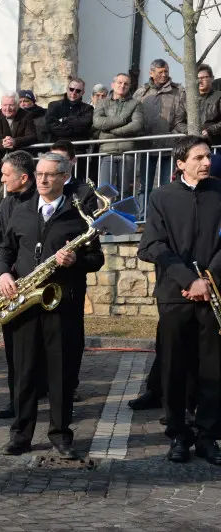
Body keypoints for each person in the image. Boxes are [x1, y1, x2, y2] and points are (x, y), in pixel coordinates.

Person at [0, 152, 104, 460]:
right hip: (25, 303)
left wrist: (76, 260)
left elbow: (97, 258)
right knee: (25, 372)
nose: (43, 179)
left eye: (51, 174)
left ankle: (60, 433)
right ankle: (21, 433)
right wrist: (4, 273)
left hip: (62, 306)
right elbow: (6, 249)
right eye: (40, 173)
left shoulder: (79, 215)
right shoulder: (20, 209)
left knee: (61, 373)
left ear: (64, 177)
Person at [137, 135, 221, 465]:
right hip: (175, 296)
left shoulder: (219, 193)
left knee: (213, 368)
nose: (206, 162)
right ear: (181, 163)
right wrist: (188, 280)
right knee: (174, 367)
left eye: (208, 156)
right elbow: (152, 246)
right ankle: (178, 435)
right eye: (199, 157)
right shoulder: (161, 197)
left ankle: (207, 435)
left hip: (213, 293)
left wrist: (207, 280)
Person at [0, 151, 37, 419]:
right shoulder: (7, 203)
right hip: (11, 282)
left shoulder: (40, 201)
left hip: (32, 280)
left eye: (6, 174)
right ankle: (15, 400)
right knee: (13, 349)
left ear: (24, 177)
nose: (1, 178)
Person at [133, 58, 186, 216]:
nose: (164, 75)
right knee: (145, 185)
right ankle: (144, 217)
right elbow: (134, 115)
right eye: (160, 72)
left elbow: (182, 119)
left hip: (169, 147)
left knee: (167, 185)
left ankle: (165, 217)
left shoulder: (178, 92)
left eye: (166, 72)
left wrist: (176, 135)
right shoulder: (142, 92)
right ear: (151, 73)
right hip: (146, 146)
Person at [93, 73, 143, 195]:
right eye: (119, 82)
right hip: (107, 151)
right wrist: (122, 120)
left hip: (127, 151)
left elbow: (137, 125)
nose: (122, 86)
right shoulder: (103, 103)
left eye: (126, 83)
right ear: (113, 84)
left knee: (124, 191)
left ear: (130, 86)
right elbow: (98, 122)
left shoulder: (135, 104)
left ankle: (122, 215)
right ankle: (105, 214)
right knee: (105, 190)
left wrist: (114, 131)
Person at [45, 78, 94, 181]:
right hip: (58, 152)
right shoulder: (54, 105)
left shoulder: (87, 109)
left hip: (78, 153)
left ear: (83, 92)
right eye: (71, 89)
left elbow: (85, 125)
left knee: (78, 183)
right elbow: (51, 126)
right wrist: (74, 128)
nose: (74, 92)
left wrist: (64, 120)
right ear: (67, 89)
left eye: (78, 90)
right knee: (56, 180)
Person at [0, 92, 38, 183]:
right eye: (4, 105)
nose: (7, 108)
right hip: (2, 163)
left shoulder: (26, 115)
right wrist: (3, 143)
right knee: (4, 193)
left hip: (22, 163)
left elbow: (32, 136)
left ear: (18, 105)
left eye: (11, 105)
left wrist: (15, 141)